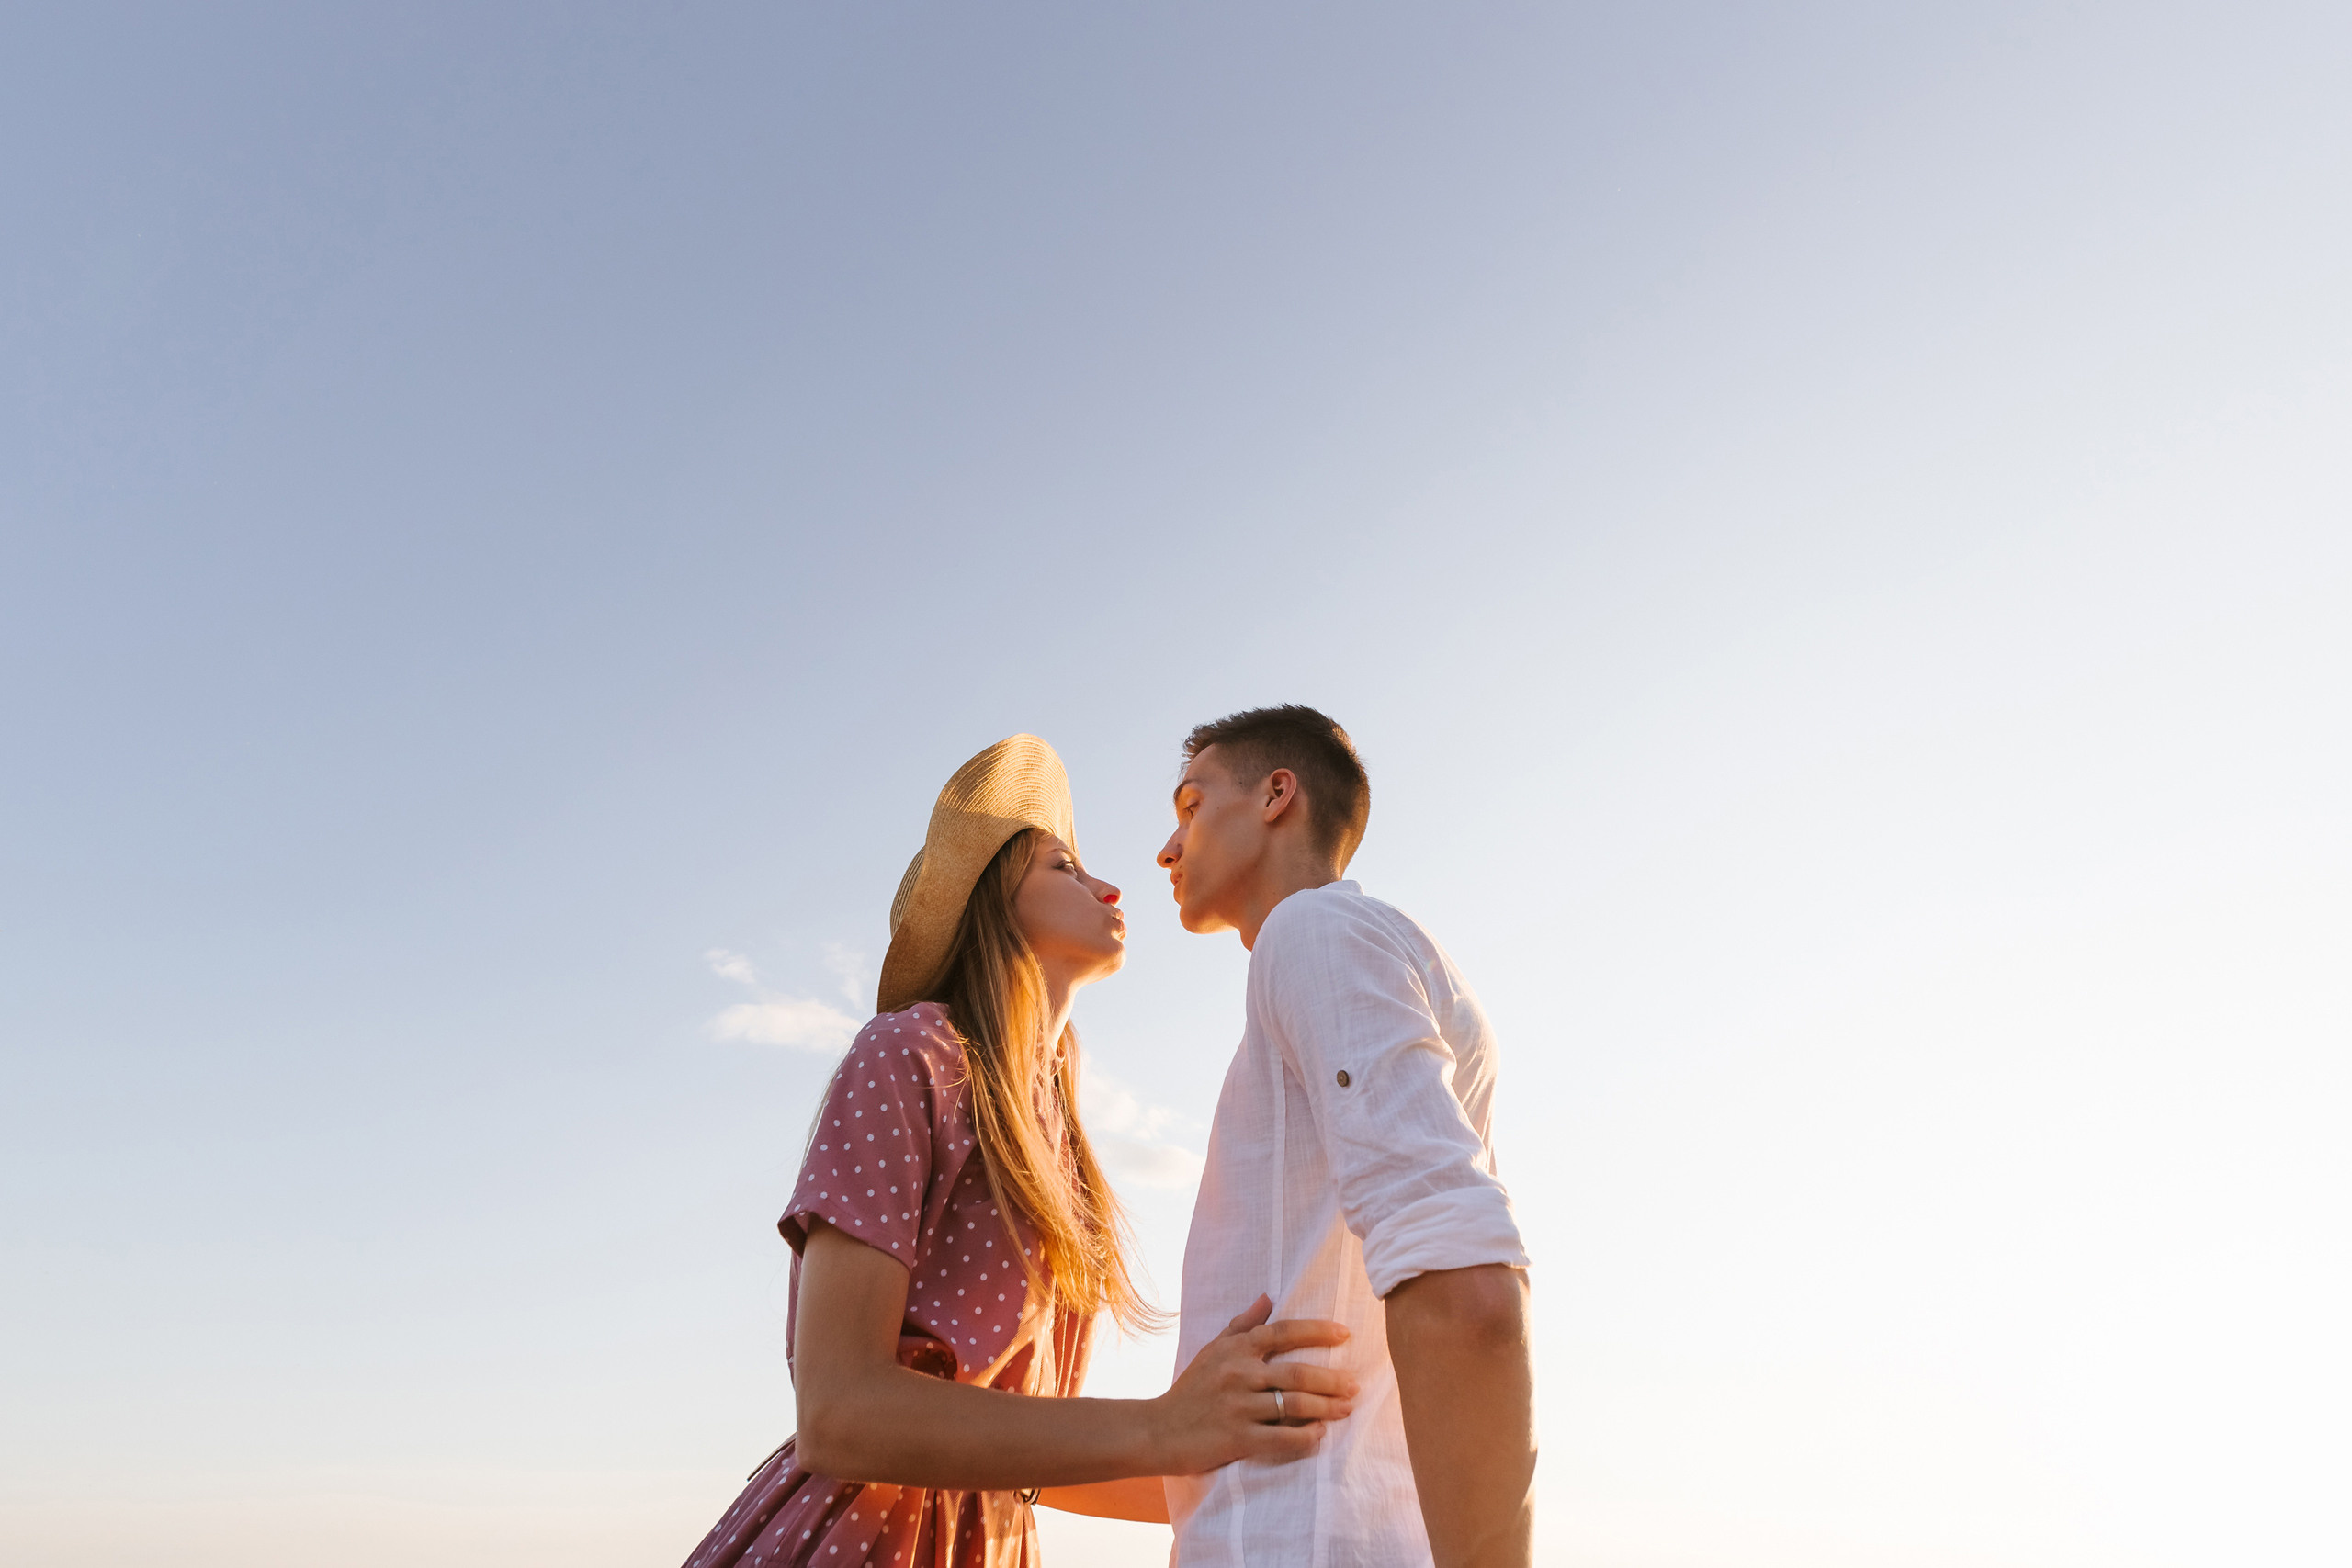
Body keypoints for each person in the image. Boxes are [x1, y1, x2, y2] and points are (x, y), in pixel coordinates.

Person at [682, 734, 1359, 1568]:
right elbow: (837, 1410)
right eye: (1063, 868)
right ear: (993, 903)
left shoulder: (1060, 1141)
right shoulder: (909, 1053)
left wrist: (1289, 1462)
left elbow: (1037, 1464)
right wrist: (1163, 1423)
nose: (1110, 884)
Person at [1156, 706, 1536, 1568]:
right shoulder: (1379, 954)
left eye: (1190, 804)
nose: (1168, 847)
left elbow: (1468, 1291)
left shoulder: (1314, 932)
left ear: (1276, 795)